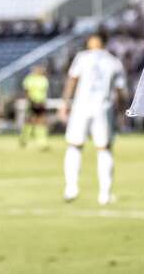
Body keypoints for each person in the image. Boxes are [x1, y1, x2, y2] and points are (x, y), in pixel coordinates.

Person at [59, 33, 127, 205]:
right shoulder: (114, 62)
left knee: (74, 146)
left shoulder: (82, 58)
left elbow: (72, 80)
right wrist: (121, 112)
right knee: (104, 149)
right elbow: (120, 91)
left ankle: (71, 187)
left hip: (81, 107)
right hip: (102, 108)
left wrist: (65, 103)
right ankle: (104, 194)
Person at [20, 64, 50, 150]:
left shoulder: (44, 79)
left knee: (41, 121)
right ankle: (24, 139)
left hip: (41, 102)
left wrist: (43, 102)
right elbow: (27, 91)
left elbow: (44, 92)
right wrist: (31, 101)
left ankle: (42, 141)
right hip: (32, 102)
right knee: (29, 121)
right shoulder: (29, 79)